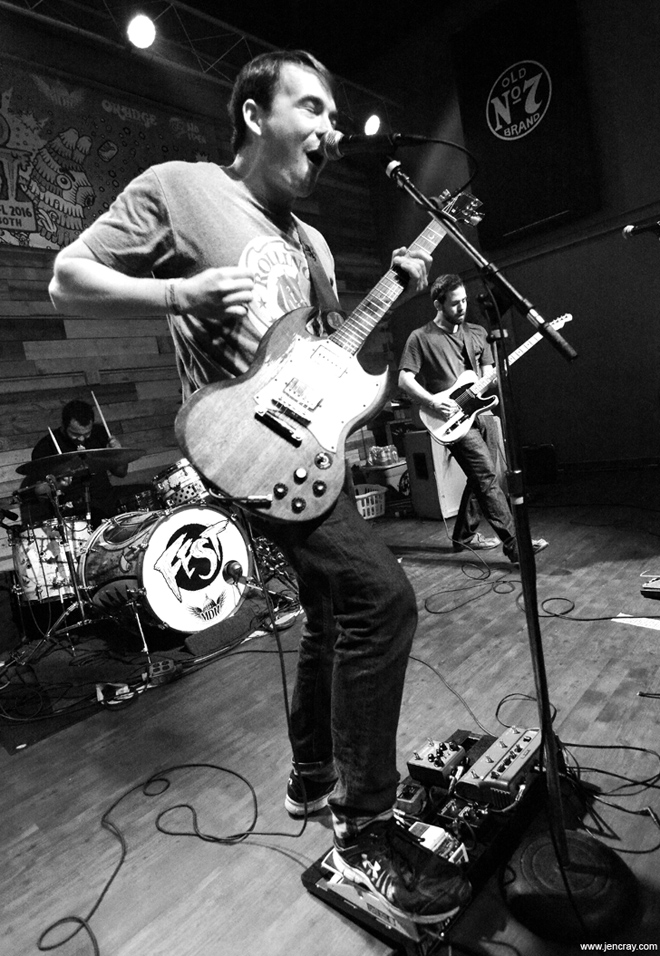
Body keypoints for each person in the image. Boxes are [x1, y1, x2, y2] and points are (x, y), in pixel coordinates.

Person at [48, 51, 471, 924]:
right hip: (239, 442)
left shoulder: (313, 244)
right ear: (253, 113)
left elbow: (331, 355)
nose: (330, 130)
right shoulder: (181, 188)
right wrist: (178, 293)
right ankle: (365, 831)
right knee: (382, 598)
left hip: (308, 454)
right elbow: (66, 278)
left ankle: (312, 775)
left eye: (335, 117)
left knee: (332, 611)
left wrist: (397, 300)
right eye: (312, 108)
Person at [398, 273, 548, 564]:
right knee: (485, 477)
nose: (463, 307)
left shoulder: (477, 332)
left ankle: (463, 536)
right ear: (438, 304)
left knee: (485, 477)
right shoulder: (421, 337)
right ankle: (516, 545)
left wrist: (492, 377)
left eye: (465, 300)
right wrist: (432, 401)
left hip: (481, 412)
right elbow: (404, 380)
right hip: (449, 418)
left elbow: (487, 375)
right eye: (455, 303)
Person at [22, 399, 128, 528]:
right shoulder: (46, 447)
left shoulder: (100, 433)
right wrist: (59, 485)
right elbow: (40, 492)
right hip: (72, 514)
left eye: (87, 433)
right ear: (64, 425)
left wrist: (118, 454)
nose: (82, 439)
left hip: (107, 504)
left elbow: (121, 473)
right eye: (75, 434)